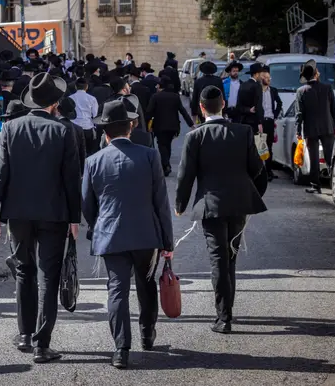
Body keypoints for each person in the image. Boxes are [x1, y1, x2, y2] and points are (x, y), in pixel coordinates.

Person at [0, 73, 81, 365]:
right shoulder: (64, 130)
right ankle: (42, 344)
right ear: (55, 104)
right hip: (54, 213)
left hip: (18, 213)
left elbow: (0, 172)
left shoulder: (10, 128)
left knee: (24, 271)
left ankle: (25, 334)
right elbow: (71, 179)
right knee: (48, 275)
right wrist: (75, 217)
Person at [83, 100, 174, 369]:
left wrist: (99, 224)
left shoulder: (93, 161)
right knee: (146, 284)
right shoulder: (150, 156)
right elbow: (161, 202)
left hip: (110, 233)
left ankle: (121, 348)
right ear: (131, 128)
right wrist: (167, 241)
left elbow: (87, 204)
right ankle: (147, 332)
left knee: (117, 290)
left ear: (105, 133)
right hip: (146, 233)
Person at [175, 86, 267, 335]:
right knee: (231, 257)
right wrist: (251, 191)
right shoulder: (243, 131)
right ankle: (228, 310)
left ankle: (223, 317)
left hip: (211, 205)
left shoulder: (195, 136)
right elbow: (257, 167)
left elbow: (185, 175)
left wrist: (180, 205)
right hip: (239, 203)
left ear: (201, 108)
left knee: (218, 260)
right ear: (223, 104)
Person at [296, 60, 335, 194]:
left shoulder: (301, 91)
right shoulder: (327, 88)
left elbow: (299, 113)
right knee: (330, 156)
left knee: (314, 158)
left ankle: (316, 185)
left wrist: (298, 130)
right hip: (327, 127)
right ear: (316, 74)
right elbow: (334, 109)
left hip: (311, 129)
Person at [146, 77, 195, 176]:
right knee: (167, 144)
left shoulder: (155, 96)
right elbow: (183, 111)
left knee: (162, 145)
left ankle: (166, 165)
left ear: (160, 86)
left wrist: (146, 123)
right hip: (173, 126)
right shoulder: (175, 96)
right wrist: (191, 124)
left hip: (159, 125)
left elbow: (149, 112)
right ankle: (165, 165)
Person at [260, 69, 283, 181]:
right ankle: (259, 171)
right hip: (260, 122)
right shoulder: (257, 90)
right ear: (261, 78)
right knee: (260, 146)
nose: (269, 80)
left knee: (269, 146)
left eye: (270, 78)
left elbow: (279, 103)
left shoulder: (273, 90)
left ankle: (268, 171)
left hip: (269, 120)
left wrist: (275, 115)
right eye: (266, 78)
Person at [69, 77, 100, 155]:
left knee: (75, 152)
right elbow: (95, 115)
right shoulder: (92, 99)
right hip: (87, 127)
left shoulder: (70, 98)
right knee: (88, 152)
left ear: (75, 86)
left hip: (74, 127)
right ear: (87, 87)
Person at [56, 96, 87, 171]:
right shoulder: (78, 129)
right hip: (73, 169)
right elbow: (82, 154)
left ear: (58, 110)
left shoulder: (54, 127)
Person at [236, 63, 265, 134]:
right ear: (257, 74)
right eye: (261, 74)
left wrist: (248, 110)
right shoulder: (257, 86)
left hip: (243, 121)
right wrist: (260, 122)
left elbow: (238, 105)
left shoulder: (243, 85)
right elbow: (258, 106)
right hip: (254, 122)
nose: (262, 77)